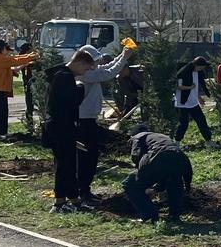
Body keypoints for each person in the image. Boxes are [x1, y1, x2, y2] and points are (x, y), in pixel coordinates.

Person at [75, 45, 134, 204]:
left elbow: (105, 67)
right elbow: (109, 73)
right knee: (87, 157)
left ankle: (84, 190)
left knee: (91, 156)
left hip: (88, 119)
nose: (96, 64)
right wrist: (124, 58)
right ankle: (83, 192)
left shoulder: (90, 70)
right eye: (94, 61)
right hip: (83, 121)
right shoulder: (85, 74)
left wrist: (121, 54)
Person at [43, 49, 93, 213]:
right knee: (64, 164)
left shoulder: (60, 74)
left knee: (70, 163)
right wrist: (80, 90)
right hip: (61, 126)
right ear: (79, 63)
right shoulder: (64, 78)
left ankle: (73, 199)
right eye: (85, 68)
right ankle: (59, 203)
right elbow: (69, 103)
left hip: (60, 126)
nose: (84, 73)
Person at [123, 124, 194, 223]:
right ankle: (175, 215)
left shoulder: (137, 137)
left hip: (159, 157)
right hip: (180, 158)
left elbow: (136, 156)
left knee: (130, 184)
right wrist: (157, 188)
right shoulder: (160, 136)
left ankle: (149, 215)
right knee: (174, 181)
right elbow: (166, 163)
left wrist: (142, 181)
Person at [0, 39, 38, 139]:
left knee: (2, 111)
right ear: (0, 49)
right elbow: (14, 60)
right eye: (5, 49)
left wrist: (28, 60)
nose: (7, 51)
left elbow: (14, 61)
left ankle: (2, 132)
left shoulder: (0, 58)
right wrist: (32, 56)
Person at [174, 57, 215, 145]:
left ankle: (209, 141)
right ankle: (176, 142)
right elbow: (177, 86)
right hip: (182, 103)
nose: (200, 70)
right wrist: (189, 87)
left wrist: (199, 97)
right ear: (195, 65)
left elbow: (196, 88)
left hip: (193, 103)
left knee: (201, 121)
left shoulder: (198, 73)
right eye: (200, 68)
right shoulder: (183, 72)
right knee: (183, 124)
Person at [17, 43, 37, 128]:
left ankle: (30, 121)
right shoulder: (25, 59)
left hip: (32, 82)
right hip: (29, 83)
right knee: (30, 104)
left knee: (30, 104)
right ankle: (30, 122)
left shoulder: (30, 58)